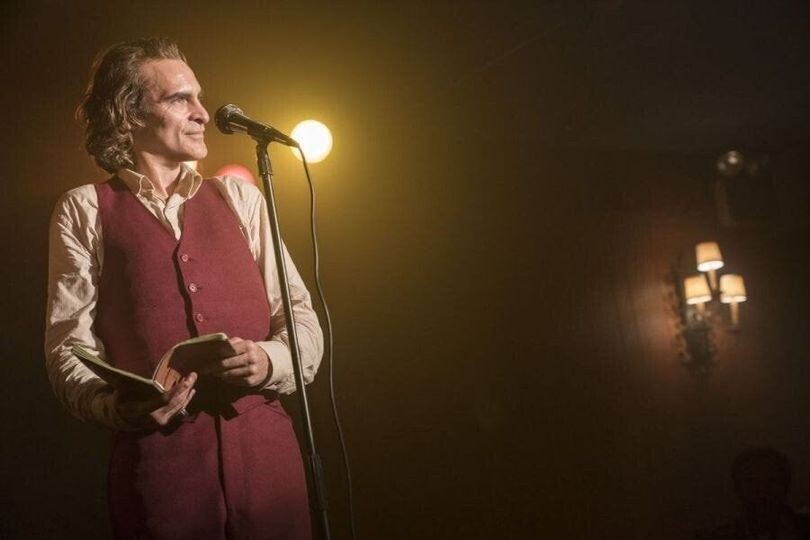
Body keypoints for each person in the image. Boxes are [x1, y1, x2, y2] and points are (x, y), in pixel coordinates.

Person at [44, 37, 323, 539]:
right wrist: (114, 405)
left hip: (270, 470)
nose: (202, 113)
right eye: (180, 99)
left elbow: (302, 319)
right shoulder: (85, 209)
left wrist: (268, 360)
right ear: (129, 113)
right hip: (162, 479)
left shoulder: (240, 198)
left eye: (199, 97)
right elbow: (68, 347)